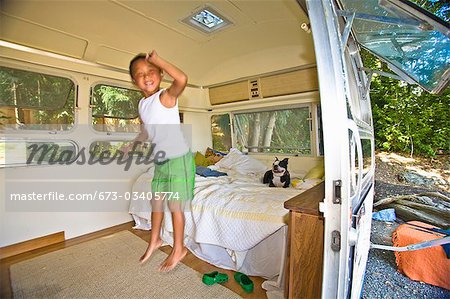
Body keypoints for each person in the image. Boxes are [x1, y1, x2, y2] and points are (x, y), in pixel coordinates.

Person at [124, 50, 194, 272]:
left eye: (151, 70)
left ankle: (179, 249)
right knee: (156, 202)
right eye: (140, 73)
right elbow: (146, 132)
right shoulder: (142, 105)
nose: (146, 76)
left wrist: (159, 59)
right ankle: (155, 240)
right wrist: (132, 145)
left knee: (175, 206)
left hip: (179, 160)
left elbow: (182, 79)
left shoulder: (166, 96)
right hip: (161, 161)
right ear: (134, 81)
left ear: (161, 74)